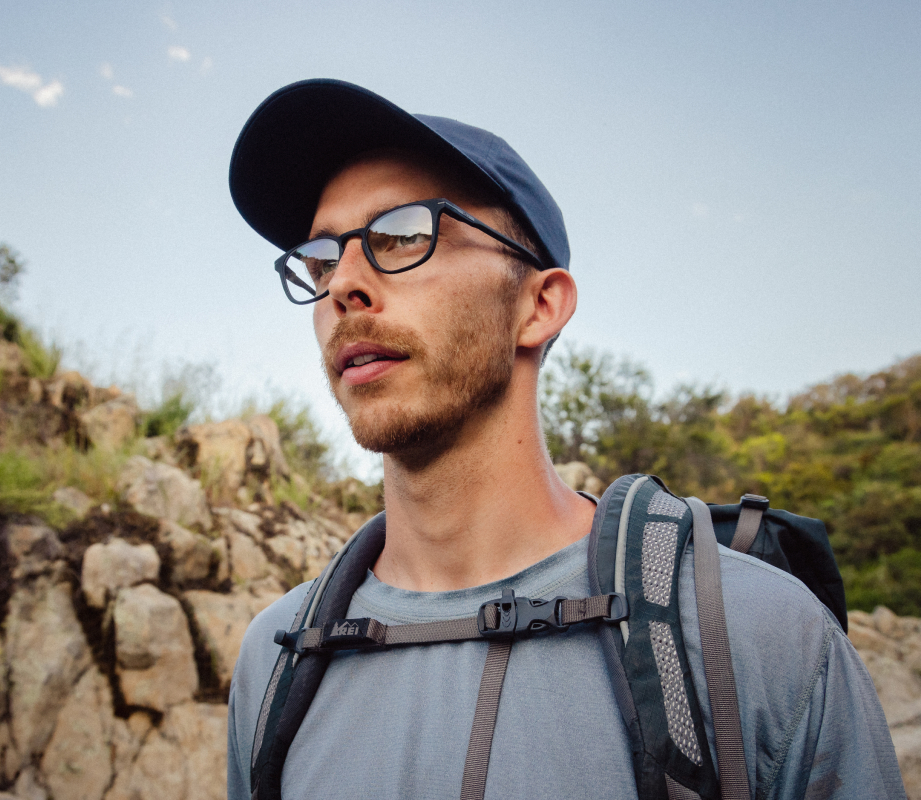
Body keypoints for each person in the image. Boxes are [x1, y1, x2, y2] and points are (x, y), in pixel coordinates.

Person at [227, 79, 905, 800]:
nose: (341, 287)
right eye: (322, 258)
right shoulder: (274, 661)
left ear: (539, 306)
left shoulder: (758, 635)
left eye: (401, 234)